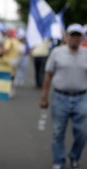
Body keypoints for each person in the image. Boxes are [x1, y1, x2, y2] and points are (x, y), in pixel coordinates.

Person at [40, 23, 87, 169]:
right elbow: (48, 75)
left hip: (81, 98)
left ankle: (74, 156)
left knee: (82, 132)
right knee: (57, 131)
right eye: (72, 35)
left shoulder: (86, 53)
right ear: (67, 37)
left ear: (82, 38)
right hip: (60, 97)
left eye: (78, 35)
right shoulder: (57, 52)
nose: (75, 38)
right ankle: (58, 160)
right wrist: (44, 96)